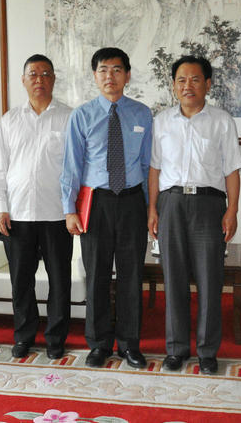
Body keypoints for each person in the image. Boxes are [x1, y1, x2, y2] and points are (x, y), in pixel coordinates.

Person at [148, 56, 241, 374]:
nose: (187, 85)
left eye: (194, 79)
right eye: (181, 80)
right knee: (173, 280)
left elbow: (232, 170)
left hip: (209, 205)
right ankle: (176, 349)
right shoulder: (161, 121)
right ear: (173, 85)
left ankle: (207, 351)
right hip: (171, 203)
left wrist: (232, 210)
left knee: (209, 280)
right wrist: (152, 209)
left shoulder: (221, 121)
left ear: (208, 84)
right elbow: (154, 169)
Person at [60, 47, 152, 369]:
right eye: (103, 70)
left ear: (127, 75)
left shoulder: (142, 114)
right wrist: (69, 209)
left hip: (132, 201)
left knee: (131, 275)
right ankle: (99, 344)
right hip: (95, 202)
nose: (109, 76)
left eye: (116, 69)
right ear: (94, 76)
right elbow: (72, 166)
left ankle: (129, 344)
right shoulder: (82, 116)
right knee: (97, 275)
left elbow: (147, 164)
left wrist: (150, 208)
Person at [0, 54, 73, 360]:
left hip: (57, 214)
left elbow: (76, 169)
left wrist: (72, 210)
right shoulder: (10, 120)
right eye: (33, 74)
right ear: (23, 80)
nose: (39, 79)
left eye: (45, 74)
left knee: (59, 280)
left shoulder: (69, 117)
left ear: (54, 79)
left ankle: (56, 338)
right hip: (18, 215)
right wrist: (0, 207)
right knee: (21, 281)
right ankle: (24, 335)